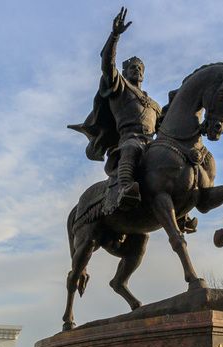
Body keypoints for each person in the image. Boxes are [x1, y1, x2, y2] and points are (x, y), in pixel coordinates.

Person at [68, 8, 164, 217]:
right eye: (132, 68)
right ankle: (125, 187)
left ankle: (181, 211)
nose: (136, 71)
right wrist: (115, 36)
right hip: (128, 140)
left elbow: (167, 127)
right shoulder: (120, 87)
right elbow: (107, 63)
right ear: (126, 72)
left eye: (139, 69)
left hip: (152, 144)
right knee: (131, 146)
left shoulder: (154, 105)